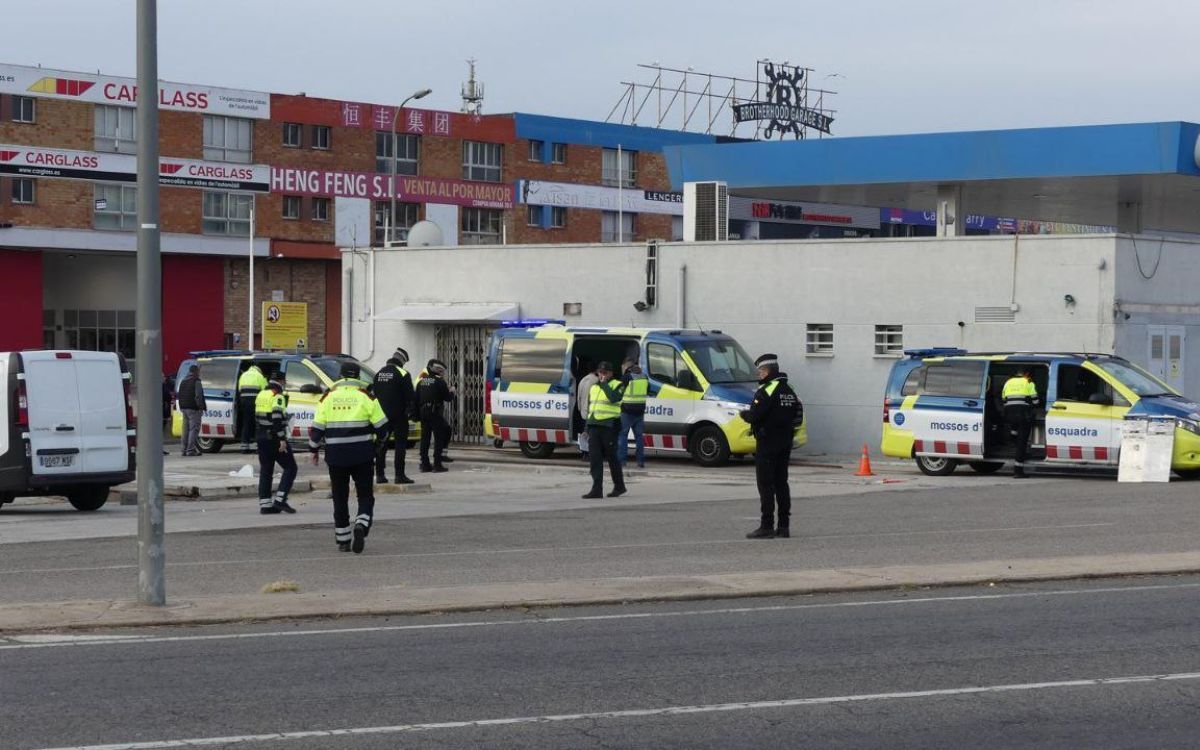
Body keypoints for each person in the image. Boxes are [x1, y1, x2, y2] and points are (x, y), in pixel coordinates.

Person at [309, 363, 388, 553]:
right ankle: (361, 523)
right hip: (362, 455)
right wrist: (377, 443)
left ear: (341, 376)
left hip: (336, 457)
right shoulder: (366, 397)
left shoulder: (328, 397)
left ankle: (343, 540)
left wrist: (313, 449)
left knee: (339, 497)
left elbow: (317, 429)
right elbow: (383, 428)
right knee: (365, 495)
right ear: (357, 376)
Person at [740, 353, 801, 539]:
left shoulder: (766, 390)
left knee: (766, 485)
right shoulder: (789, 389)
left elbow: (755, 416)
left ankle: (766, 526)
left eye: (760, 371)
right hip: (785, 442)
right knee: (782, 483)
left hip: (767, 443)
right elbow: (798, 416)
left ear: (767, 372)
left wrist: (744, 415)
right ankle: (784, 526)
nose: (759, 374)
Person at [254, 372, 297, 515]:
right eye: (284, 382)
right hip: (273, 438)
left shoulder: (261, 394)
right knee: (291, 467)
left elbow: (259, 416)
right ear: (281, 381)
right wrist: (282, 439)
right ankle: (280, 500)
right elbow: (277, 419)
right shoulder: (277, 396)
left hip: (261, 437)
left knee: (266, 470)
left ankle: (265, 505)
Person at [583, 361, 626, 499]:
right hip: (594, 425)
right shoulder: (594, 387)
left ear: (611, 373)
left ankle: (619, 486)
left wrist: (605, 384)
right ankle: (596, 489)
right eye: (600, 372)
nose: (602, 375)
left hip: (609, 426)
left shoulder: (618, 385)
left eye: (605, 373)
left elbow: (614, 398)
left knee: (612, 458)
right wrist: (587, 426)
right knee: (595, 459)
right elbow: (592, 407)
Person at [372, 347, 415, 485]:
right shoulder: (403, 373)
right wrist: (411, 412)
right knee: (400, 445)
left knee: (381, 444)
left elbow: (375, 394)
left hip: (381, 416)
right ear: (402, 361)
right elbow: (410, 397)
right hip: (399, 415)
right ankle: (399, 475)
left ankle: (379, 474)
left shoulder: (378, 373)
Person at [416, 359, 454, 473]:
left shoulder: (421, 381)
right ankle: (437, 464)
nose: (442, 374)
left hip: (423, 413)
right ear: (438, 370)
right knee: (439, 438)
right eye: (442, 371)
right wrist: (452, 391)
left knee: (425, 439)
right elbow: (448, 398)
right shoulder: (439, 381)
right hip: (435, 413)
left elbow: (416, 398)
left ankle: (424, 464)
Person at [1002, 367, 1040, 479]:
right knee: (1022, 443)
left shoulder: (1008, 382)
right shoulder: (1028, 382)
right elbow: (1036, 400)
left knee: (1014, 428)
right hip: (1023, 415)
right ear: (1026, 374)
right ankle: (1018, 471)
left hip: (1010, 414)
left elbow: (1004, 398)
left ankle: (1012, 438)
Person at [617, 357, 648, 469]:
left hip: (627, 410)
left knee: (623, 435)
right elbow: (647, 391)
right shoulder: (645, 377)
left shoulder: (627, 377)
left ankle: (622, 461)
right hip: (640, 411)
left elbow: (620, 391)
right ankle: (640, 462)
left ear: (627, 366)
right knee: (639, 437)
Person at [236, 362, 268, 454]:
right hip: (256, 403)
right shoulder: (259, 376)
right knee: (258, 424)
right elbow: (265, 391)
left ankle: (244, 447)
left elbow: (239, 390)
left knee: (246, 423)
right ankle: (258, 447)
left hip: (244, 402)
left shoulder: (243, 375)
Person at [177, 364, 206, 457]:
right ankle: (191, 450)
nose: (199, 373)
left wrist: (182, 406)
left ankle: (183, 449)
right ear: (196, 372)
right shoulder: (196, 381)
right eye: (198, 371)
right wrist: (201, 407)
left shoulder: (183, 381)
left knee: (185, 429)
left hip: (184, 408)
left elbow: (179, 394)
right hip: (193, 409)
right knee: (194, 429)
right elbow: (198, 396)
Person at [576, 360, 598, 461]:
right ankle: (589, 454)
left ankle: (584, 453)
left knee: (583, 434)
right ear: (596, 369)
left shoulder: (583, 380)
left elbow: (579, 397)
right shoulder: (596, 381)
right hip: (591, 412)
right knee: (590, 435)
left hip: (583, 412)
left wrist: (580, 409)